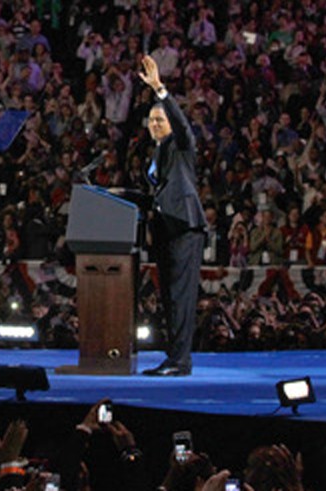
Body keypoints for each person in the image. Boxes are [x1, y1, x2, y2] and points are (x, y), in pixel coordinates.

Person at [137, 55, 206, 376]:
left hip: (184, 227)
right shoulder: (158, 152)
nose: (155, 124)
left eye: (159, 120)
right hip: (166, 229)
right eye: (151, 120)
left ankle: (181, 361)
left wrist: (160, 89)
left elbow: (181, 125)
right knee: (170, 297)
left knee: (180, 296)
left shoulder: (180, 145)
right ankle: (173, 357)